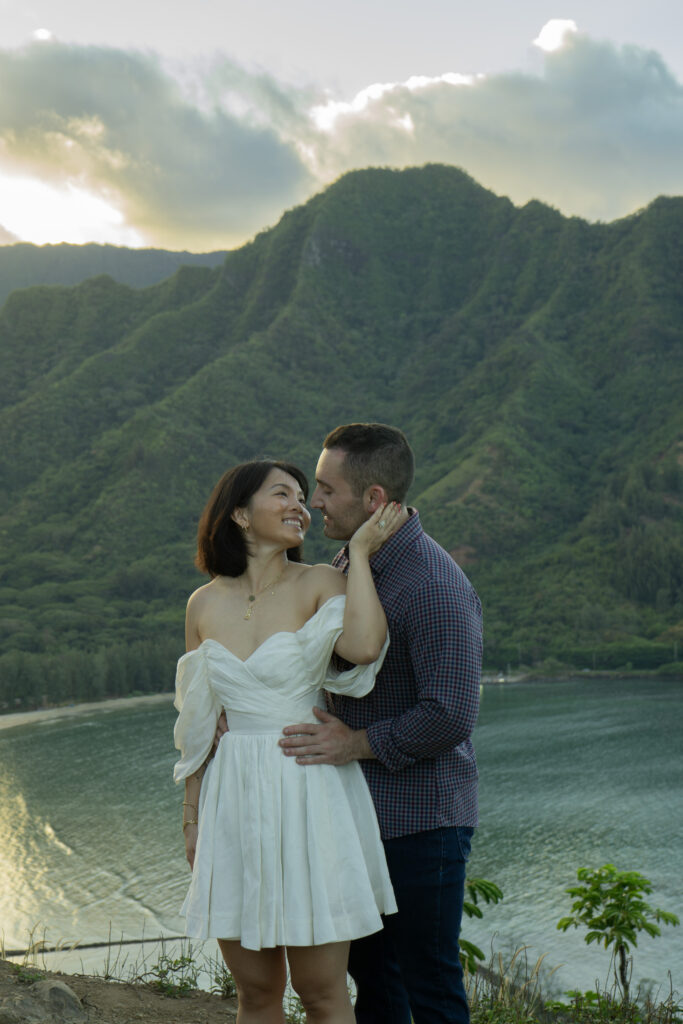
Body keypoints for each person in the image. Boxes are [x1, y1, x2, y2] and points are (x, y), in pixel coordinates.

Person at [173, 458, 400, 1024]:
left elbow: (366, 646)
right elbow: (201, 722)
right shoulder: (202, 604)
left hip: (309, 793)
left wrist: (364, 557)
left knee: (323, 992)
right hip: (234, 801)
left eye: (304, 495)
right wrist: (192, 817)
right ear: (241, 515)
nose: (301, 506)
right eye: (284, 494)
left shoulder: (322, 580)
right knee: (256, 994)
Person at [278, 424, 483, 1024]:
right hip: (357, 816)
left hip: (423, 824)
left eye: (325, 488)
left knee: (431, 985)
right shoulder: (350, 560)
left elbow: (450, 713)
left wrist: (354, 743)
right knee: (374, 981)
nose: (314, 501)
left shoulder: (435, 585)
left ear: (372, 500)